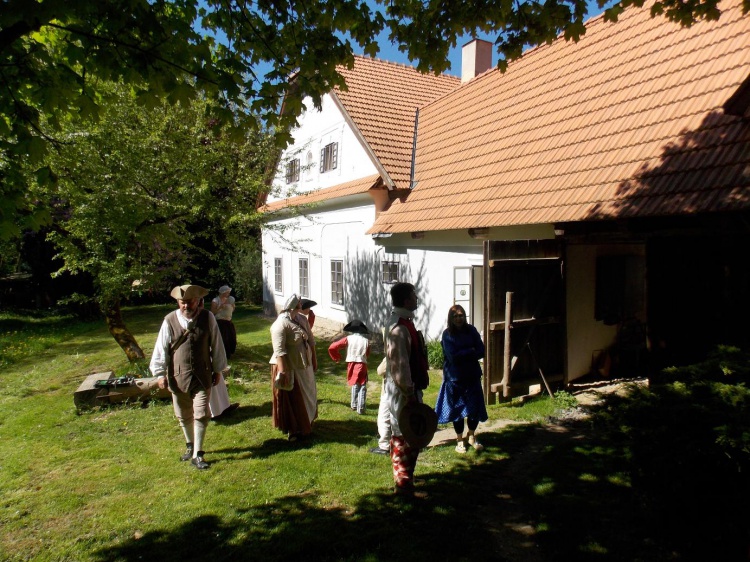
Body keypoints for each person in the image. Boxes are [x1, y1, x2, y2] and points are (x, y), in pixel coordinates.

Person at [150, 284, 228, 470]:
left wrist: (218, 370)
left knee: (201, 414)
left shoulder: (208, 317)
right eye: (182, 302)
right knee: (183, 414)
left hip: (202, 375)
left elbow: (217, 344)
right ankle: (190, 445)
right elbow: (161, 348)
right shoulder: (169, 320)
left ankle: (198, 454)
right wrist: (160, 374)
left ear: (198, 301)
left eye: (190, 302)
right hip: (177, 377)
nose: (186, 306)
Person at [383, 282, 429, 496]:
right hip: (402, 392)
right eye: (413, 295)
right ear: (405, 300)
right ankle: (402, 484)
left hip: (407, 390)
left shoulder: (404, 322)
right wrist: (409, 393)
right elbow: (400, 366)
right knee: (404, 434)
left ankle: (406, 478)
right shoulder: (398, 328)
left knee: (410, 433)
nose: (416, 298)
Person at [435, 304, 489, 453]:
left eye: (461, 315)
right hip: (455, 378)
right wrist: (470, 350)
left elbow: (481, 351)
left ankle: (471, 436)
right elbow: (452, 357)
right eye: (455, 316)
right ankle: (459, 440)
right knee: (457, 410)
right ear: (450, 318)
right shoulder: (447, 334)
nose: (458, 319)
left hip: (472, 375)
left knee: (474, 408)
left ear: (464, 317)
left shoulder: (471, 330)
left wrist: (464, 352)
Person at [270, 294, 318, 441]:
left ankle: (307, 421)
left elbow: (311, 341)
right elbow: (279, 351)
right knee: (294, 399)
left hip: (305, 365)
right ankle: (294, 429)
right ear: (293, 306)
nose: (301, 304)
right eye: (299, 303)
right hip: (290, 367)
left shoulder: (301, 319)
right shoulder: (280, 324)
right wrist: (283, 372)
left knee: (308, 394)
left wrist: (314, 360)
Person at [328, 320, 371, 415]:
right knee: (362, 385)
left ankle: (354, 404)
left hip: (351, 363)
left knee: (355, 383)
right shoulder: (366, 341)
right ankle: (360, 408)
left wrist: (336, 357)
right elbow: (367, 354)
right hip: (361, 363)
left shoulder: (348, 339)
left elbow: (333, 347)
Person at [211, 285, 236, 358]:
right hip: (220, 322)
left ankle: (231, 352)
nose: (228, 294)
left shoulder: (230, 300)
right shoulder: (216, 300)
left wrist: (233, 307)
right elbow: (212, 312)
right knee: (224, 338)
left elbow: (232, 310)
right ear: (223, 292)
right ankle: (224, 354)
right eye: (227, 292)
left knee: (232, 337)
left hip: (228, 321)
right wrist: (220, 307)